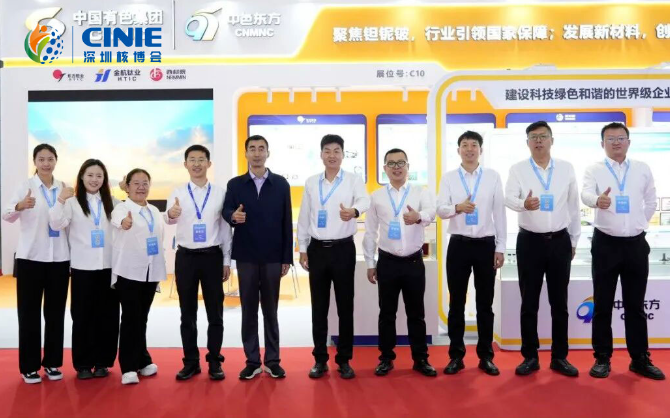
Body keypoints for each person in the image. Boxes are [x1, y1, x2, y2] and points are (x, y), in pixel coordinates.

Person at [582, 122, 665, 380]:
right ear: (602, 144)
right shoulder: (594, 169)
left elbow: (650, 201)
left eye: (620, 138)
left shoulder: (642, 168)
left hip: (635, 245)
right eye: (611, 139)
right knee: (602, 304)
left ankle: (639, 358)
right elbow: (585, 194)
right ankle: (602, 358)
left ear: (628, 142)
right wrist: (598, 200)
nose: (616, 142)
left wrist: (638, 224)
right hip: (605, 244)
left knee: (635, 305)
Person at [504, 121, 581, 377]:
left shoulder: (566, 168)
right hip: (530, 242)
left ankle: (560, 357)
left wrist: (573, 240)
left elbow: (573, 207)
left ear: (552, 140)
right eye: (534, 137)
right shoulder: (518, 169)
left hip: (560, 241)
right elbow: (508, 198)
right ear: (527, 142)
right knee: (529, 302)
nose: (539, 141)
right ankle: (530, 356)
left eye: (543, 136)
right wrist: (523, 204)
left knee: (560, 303)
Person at [297, 134, 370, 379]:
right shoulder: (311, 182)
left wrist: (354, 211)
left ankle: (344, 360)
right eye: (327, 151)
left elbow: (365, 199)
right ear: (321, 154)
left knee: (345, 306)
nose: (332, 155)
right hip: (317, 250)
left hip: (343, 250)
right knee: (319, 307)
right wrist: (303, 248)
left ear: (343, 154)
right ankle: (320, 359)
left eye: (336, 151)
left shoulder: (353, 180)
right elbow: (304, 217)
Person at [436, 131, 506, 376]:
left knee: (485, 303)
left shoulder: (492, 176)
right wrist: (458, 207)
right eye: (464, 145)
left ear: (480, 150)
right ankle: (456, 356)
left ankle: (486, 356)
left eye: (473, 145)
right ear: (458, 150)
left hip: (486, 245)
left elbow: (499, 214)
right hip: (459, 245)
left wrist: (500, 247)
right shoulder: (449, 178)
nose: (469, 149)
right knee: (456, 302)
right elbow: (440, 210)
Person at [223, 135, 292, 380]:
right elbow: (226, 210)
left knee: (271, 311)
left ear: (267, 153)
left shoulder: (281, 184)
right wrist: (233, 216)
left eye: (261, 148)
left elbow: (287, 222)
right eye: (252, 148)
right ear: (246, 154)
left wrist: (286, 257)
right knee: (249, 310)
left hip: (273, 257)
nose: (257, 153)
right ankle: (252, 361)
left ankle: (273, 361)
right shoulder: (236, 184)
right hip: (247, 256)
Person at [363, 148, 437, 377]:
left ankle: (420, 359)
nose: (397, 167)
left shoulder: (420, 192)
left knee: (417, 314)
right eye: (392, 163)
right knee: (387, 314)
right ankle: (386, 358)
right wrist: (370, 263)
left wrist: (419, 217)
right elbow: (370, 231)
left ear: (408, 167)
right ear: (385, 168)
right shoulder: (376, 196)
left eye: (401, 163)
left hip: (413, 262)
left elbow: (432, 212)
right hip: (387, 262)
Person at [2, 144, 69, 384]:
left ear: (56, 161)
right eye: (41, 159)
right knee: (28, 314)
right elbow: (6, 214)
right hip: (30, 258)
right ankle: (29, 367)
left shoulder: (64, 188)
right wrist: (19, 206)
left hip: (59, 258)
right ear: (35, 161)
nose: (46, 163)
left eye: (50, 159)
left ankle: (52, 362)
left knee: (55, 313)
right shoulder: (26, 186)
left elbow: (67, 220)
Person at [165, 145, 232, 381]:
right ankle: (191, 362)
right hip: (186, 258)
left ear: (209, 164)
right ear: (185, 164)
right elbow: (169, 220)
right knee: (187, 313)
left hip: (213, 257)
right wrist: (171, 214)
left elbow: (225, 229)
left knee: (216, 312)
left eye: (201, 159)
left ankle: (214, 360)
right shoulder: (178, 192)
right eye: (192, 160)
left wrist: (226, 260)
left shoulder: (220, 193)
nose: (196, 164)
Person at [49, 159, 120, 380]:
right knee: (82, 317)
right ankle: (83, 364)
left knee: (108, 317)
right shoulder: (71, 203)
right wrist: (60, 199)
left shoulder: (114, 202)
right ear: (81, 176)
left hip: (108, 267)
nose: (94, 180)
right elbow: (55, 224)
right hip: (82, 268)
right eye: (90, 175)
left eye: (99, 176)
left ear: (104, 179)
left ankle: (103, 362)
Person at [111, 168, 166, 385]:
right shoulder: (122, 208)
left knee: (142, 318)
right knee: (130, 319)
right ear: (127, 186)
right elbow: (118, 220)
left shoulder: (154, 210)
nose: (141, 187)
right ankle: (128, 367)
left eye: (145, 183)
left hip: (150, 273)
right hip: (129, 272)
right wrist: (124, 223)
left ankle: (143, 361)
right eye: (136, 183)